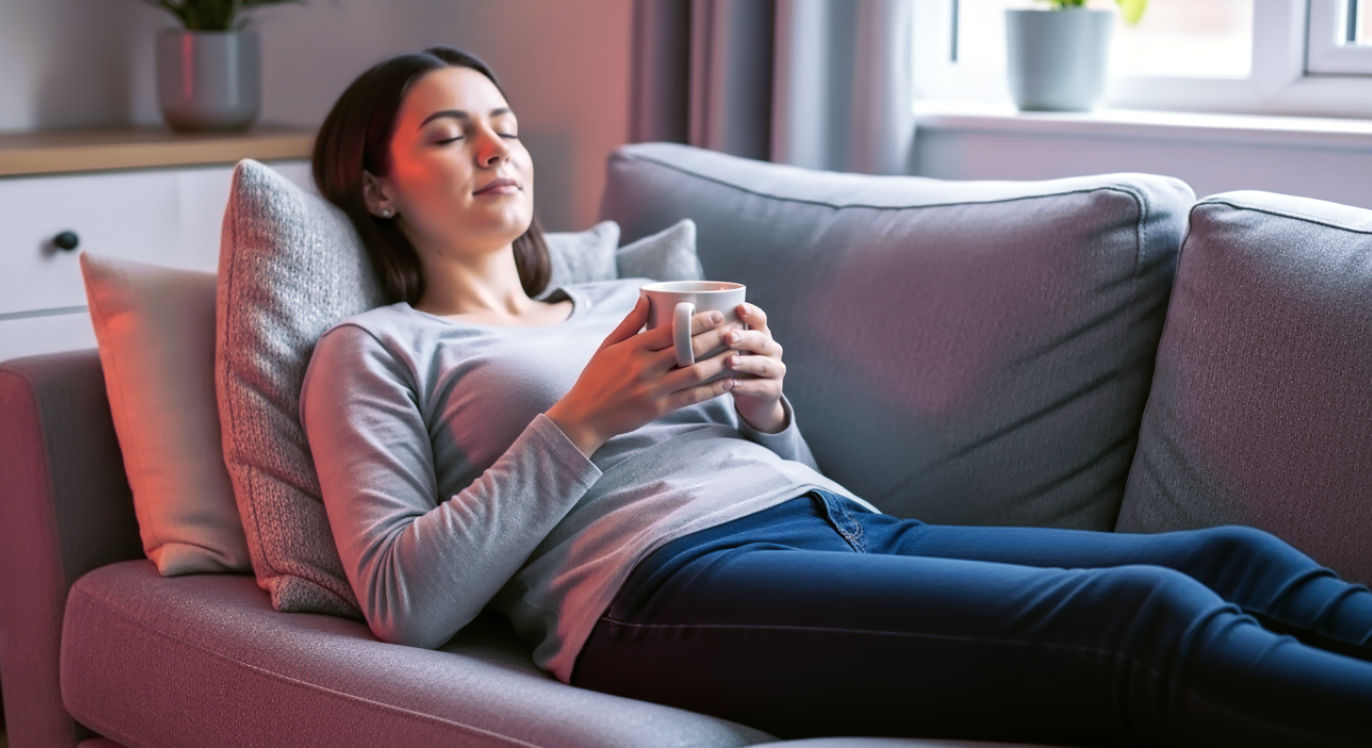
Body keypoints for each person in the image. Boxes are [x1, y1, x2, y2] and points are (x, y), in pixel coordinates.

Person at [299, 45, 1372, 747]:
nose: (497, 147)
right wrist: (584, 417)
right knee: (1142, 622)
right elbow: (401, 598)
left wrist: (768, 411)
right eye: (450, 134)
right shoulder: (377, 348)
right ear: (378, 186)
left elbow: (783, 477)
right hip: (656, 588)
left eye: (504, 123)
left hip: (837, 524)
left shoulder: (622, 293)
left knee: (1229, 558)